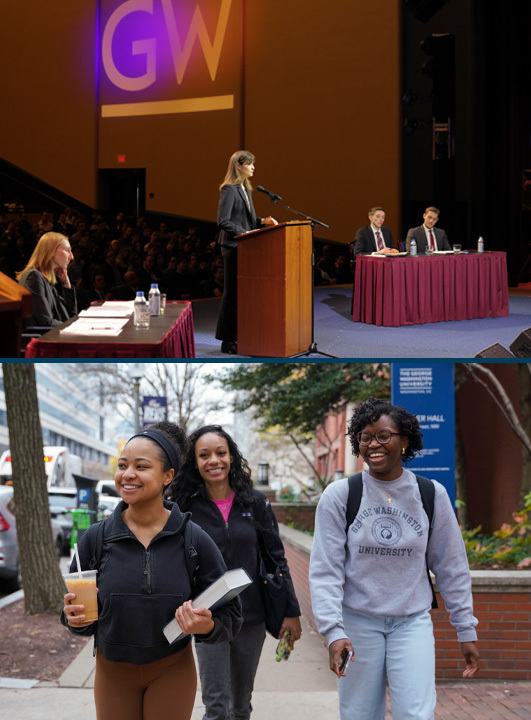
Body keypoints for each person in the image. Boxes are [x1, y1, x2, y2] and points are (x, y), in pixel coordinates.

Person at [309, 398, 479, 720]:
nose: (374, 444)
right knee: (359, 714)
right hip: (356, 623)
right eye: (365, 436)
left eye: (384, 436)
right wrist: (333, 632)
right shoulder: (340, 495)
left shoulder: (431, 495)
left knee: (416, 714)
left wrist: (465, 629)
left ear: (404, 441)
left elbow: (452, 567)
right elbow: (325, 571)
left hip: (411, 622)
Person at [62, 422, 242, 720]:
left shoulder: (193, 539)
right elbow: (78, 620)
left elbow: (231, 616)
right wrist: (76, 619)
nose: (127, 474)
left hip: (172, 669)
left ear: (167, 476)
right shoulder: (95, 539)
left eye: (141, 466)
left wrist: (205, 626)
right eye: (122, 465)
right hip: (112, 671)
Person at [168, 425, 303, 720]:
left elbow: (275, 558)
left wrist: (290, 612)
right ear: (195, 462)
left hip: (250, 619)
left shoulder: (255, 503)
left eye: (220, 453)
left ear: (231, 457)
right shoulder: (185, 507)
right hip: (208, 617)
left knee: (240, 706)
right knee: (216, 706)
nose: (213, 460)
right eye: (204, 455)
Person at [216, 150, 278, 355]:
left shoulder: (246, 190)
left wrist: (262, 222)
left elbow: (246, 220)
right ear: (239, 166)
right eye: (250, 164)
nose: (253, 167)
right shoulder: (229, 189)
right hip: (233, 247)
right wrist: (244, 233)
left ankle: (240, 335)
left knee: (244, 294)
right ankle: (227, 340)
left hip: (245, 246)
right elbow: (223, 221)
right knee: (231, 294)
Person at [17, 231, 76, 327]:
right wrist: (75, 327)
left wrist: (66, 283)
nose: (71, 257)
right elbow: (46, 322)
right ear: (51, 251)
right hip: (40, 339)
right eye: (67, 250)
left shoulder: (46, 279)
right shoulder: (33, 277)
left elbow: (69, 317)